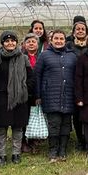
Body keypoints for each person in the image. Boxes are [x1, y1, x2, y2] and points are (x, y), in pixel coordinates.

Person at [0, 31, 35, 166]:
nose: (10, 43)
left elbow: (31, 77)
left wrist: (26, 90)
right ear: (2, 43)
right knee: (1, 128)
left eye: (13, 41)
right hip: (1, 98)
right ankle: (1, 155)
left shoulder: (23, 58)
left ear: (17, 43)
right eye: (7, 41)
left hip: (20, 98)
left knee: (18, 127)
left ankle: (16, 153)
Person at [34, 29, 77, 162]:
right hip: (50, 95)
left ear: (65, 40)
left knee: (65, 124)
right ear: (51, 40)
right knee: (54, 124)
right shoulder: (44, 55)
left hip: (68, 95)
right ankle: (53, 150)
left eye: (61, 39)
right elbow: (37, 76)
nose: (59, 41)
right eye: (56, 39)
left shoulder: (72, 56)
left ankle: (63, 150)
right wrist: (38, 95)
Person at [66, 20, 88, 151]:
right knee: (77, 114)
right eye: (78, 29)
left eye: (83, 29)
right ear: (74, 32)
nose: (80, 31)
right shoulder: (68, 46)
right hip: (73, 83)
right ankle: (80, 139)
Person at [21, 32, 40, 153]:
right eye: (28, 42)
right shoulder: (20, 57)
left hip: (36, 92)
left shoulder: (42, 57)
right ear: (24, 45)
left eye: (33, 42)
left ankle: (33, 141)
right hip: (23, 92)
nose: (31, 44)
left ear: (37, 44)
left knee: (34, 116)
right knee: (23, 118)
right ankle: (22, 142)